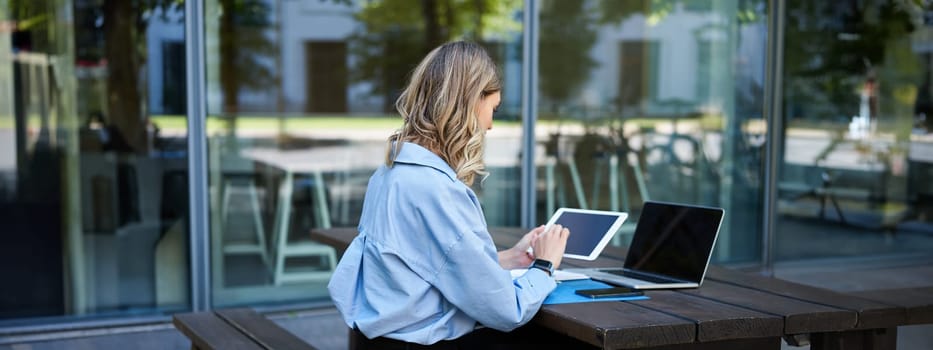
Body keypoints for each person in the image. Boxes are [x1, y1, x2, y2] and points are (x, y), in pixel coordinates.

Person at [327, 41, 571, 349]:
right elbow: (507, 310)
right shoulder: (435, 189)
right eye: (492, 109)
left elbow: (424, 266)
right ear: (468, 103)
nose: (491, 125)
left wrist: (508, 259)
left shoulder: (389, 174)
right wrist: (545, 266)